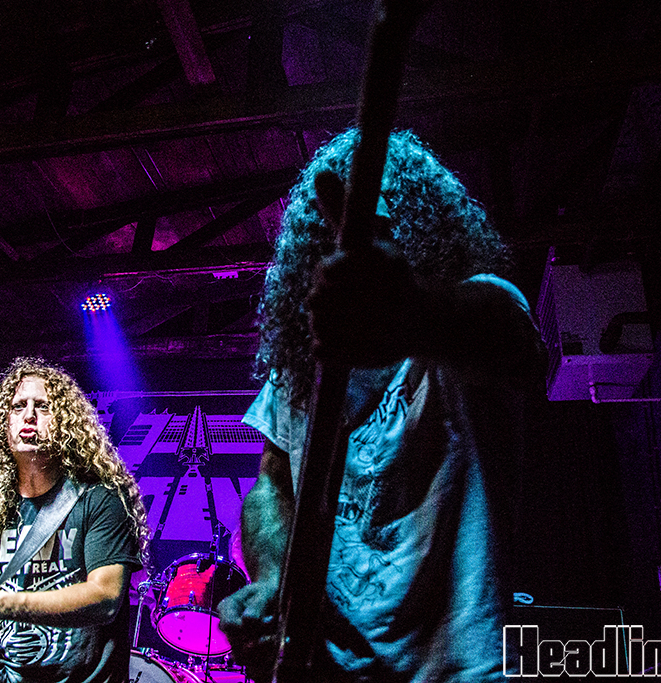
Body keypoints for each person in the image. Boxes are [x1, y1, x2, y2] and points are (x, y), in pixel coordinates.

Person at [217, 128, 544, 682]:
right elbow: (272, 482)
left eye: (379, 216)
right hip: (326, 668)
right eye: (340, 222)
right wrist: (274, 578)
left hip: (455, 669)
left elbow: (509, 341)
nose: (356, 233)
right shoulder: (301, 361)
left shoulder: (470, 306)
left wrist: (414, 312)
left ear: (421, 222)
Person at [0, 357, 148, 683]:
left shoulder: (101, 498)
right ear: (4, 423)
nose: (29, 415)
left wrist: (1, 604)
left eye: (43, 406)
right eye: (18, 407)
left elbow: (106, 597)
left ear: (66, 422)